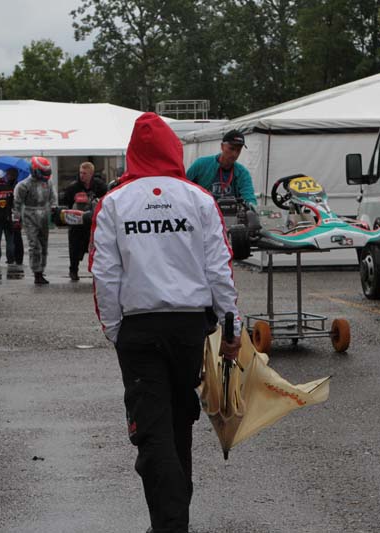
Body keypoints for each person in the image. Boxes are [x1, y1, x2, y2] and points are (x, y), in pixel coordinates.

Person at [90, 112, 242, 533]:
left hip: (139, 329)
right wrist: (231, 329)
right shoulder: (199, 199)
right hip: (189, 327)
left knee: (152, 432)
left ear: (133, 152)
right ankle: (172, 522)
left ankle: (169, 525)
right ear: (174, 149)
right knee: (177, 424)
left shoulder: (114, 202)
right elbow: (220, 269)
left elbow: (104, 274)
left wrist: (116, 331)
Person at [185, 129, 257, 207]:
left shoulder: (242, 173)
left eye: (238, 150)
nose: (234, 154)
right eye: (231, 148)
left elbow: (249, 196)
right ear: (222, 146)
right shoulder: (201, 164)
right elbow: (184, 188)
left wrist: (252, 206)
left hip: (230, 213)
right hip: (203, 211)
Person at [14, 156, 57, 285]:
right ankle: (36, 272)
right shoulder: (23, 185)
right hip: (29, 214)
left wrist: (54, 207)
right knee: (34, 245)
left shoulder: (48, 183)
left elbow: (53, 197)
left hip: (44, 213)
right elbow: (17, 203)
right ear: (35, 170)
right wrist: (16, 218)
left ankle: (41, 270)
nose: (46, 175)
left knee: (44, 245)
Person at [61, 162, 107, 281]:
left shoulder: (100, 186)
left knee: (97, 248)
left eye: (85, 173)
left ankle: (97, 272)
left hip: (93, 224)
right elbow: (65, 203)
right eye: (81, 173)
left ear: (91, 174)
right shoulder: (73, 187)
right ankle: (73, 271)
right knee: (74, 248)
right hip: (76, 224)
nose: (82, 175)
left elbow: (106, 201)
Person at [5, 168, 25, 265]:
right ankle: (14, 257)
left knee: (15, 236)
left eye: (8, 174)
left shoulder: (16, 186)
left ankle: (17, 258)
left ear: (12, 175)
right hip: (14, 213)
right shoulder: (13, 185)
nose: (6, 176)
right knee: (14, 236)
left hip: (14, 213)